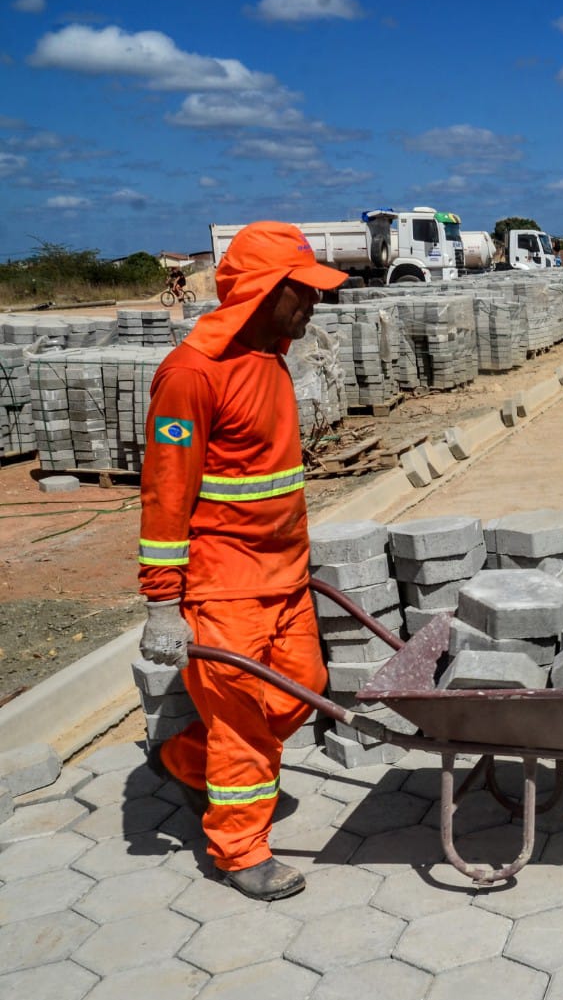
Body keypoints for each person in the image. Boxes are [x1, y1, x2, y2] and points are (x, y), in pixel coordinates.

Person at [138, 221, 349, 901]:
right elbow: (166, 495)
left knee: (298, 690)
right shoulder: (192, 375)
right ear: (263, 291)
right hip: (224, 587)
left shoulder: (270, 357)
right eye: (304, 291)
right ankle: (239, 850)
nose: (314, 303)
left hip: (282, 577)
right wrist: (163, 602)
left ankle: (187, 758)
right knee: (244, 727)